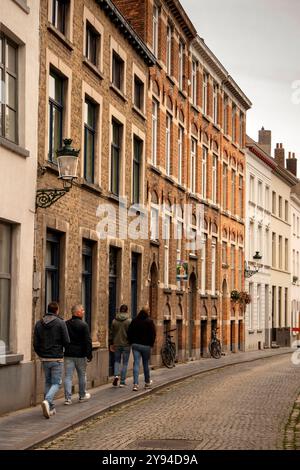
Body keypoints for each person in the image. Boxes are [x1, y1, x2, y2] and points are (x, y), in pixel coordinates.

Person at [33, 301, 70, 419]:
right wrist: (61, 350)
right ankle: (47, 400)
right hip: (56, 357)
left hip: (44, 358)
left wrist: (41, 353)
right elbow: (67, 340)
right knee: (57, 383)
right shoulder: (60, 323)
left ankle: (51, 407)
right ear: (56, 310)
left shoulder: (39, 323)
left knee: (48, 382)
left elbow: (35, 343)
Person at [64, 304, 93, 405]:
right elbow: (88, 341)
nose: (84, 312)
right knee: (82, 375)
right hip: (80, 355)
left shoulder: (66, 324)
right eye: (82, 310)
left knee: (68, 376)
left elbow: (64, 339)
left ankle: (68, 399)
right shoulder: (83, 325)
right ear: (77, 313)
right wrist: (89, 354)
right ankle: (82, 395)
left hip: (68, 354)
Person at [127, 306, 156, 391]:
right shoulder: (149, 321)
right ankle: (147, 383)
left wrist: (131, 341)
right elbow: (153, 334)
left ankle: (135, 384)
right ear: (147, 312)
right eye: (149, 311)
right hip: (146, 346)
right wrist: (151, 344)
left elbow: (129, 332)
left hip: (135, 345)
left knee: (136, 363)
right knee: (145, 364)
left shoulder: (134, 320)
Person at [109, 304, 131, 387]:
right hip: (126, 344)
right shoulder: (129, 321)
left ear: (120, 310)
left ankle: (116, 375)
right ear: (126, 311)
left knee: (117, 361)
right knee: (125, 363)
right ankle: (122, 382)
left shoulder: (114, 321)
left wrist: (111, 343)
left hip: (116, 344)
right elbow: (131, 333)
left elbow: (111, 333)